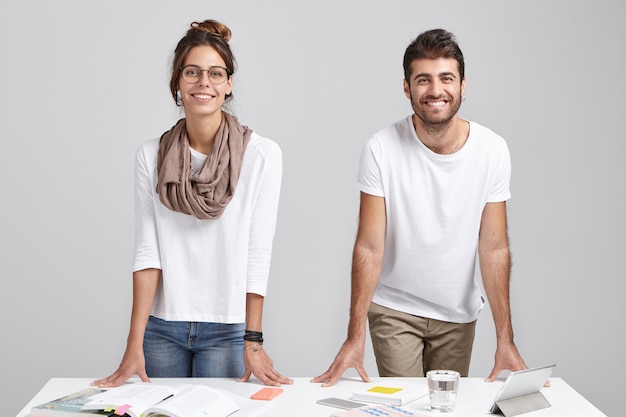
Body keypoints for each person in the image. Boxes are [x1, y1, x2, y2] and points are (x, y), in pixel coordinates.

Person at [313, 28, 528, 387]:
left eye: (446, 78)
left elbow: (494, 248)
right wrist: (354, 336)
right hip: (394, 310)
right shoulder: (381, 147)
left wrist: (505, 339)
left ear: (462, 85)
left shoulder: (492, 150)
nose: (435, 90)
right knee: (405, 405)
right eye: (423, 79)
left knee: (445, 409)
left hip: (457, 316)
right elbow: (369, 245)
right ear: (407, 87)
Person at [93, 19, 292, 388]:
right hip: (161, 329)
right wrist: (133, 343)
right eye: (192, 72)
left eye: (216, 73)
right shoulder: (150, 155)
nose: (204, 83)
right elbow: (148, 251)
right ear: (177, 83)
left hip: (227, 329)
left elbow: (257, 252)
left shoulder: (262, 155)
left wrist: (254, 338)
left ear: (229, 84)